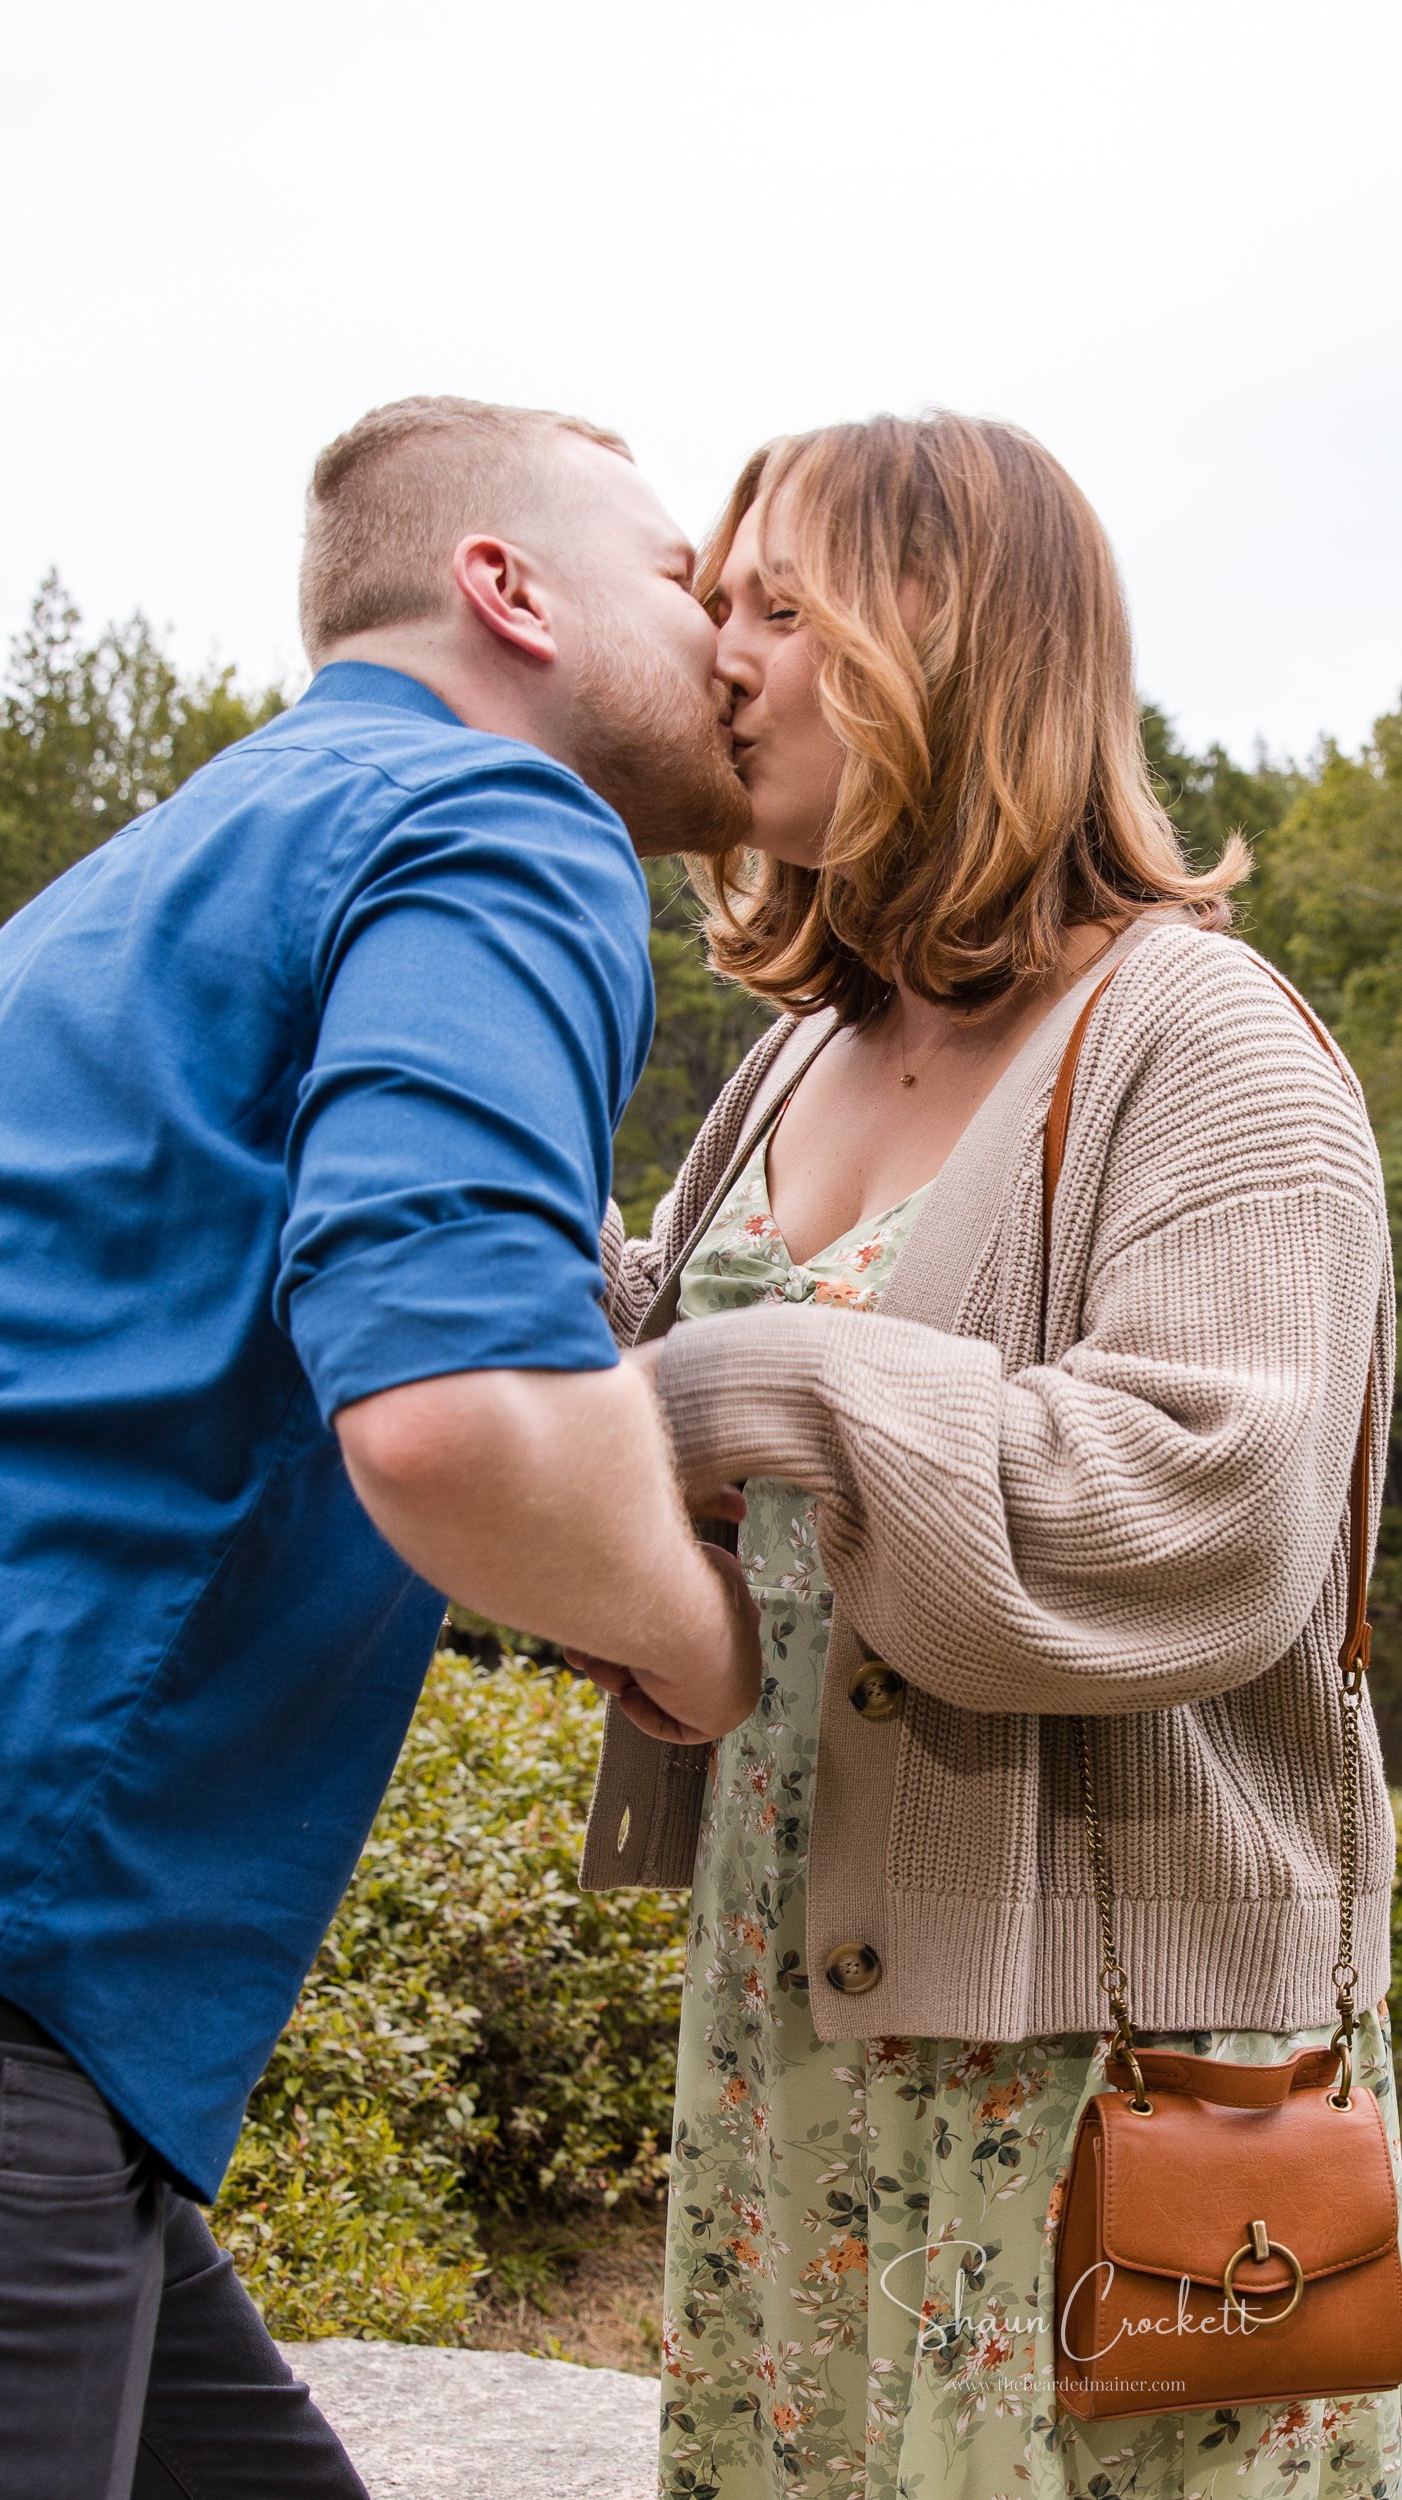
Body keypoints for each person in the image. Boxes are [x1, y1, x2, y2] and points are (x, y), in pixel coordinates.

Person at [0, 394, 763, 2499]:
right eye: (681, 577)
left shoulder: (120, 893)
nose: (729, 638)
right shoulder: (496, 821)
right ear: (505, 588)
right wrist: (691, 1636)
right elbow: (453, 1399)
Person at [575, 412, 1400, 2499]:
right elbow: (666, 1400)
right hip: (806, 2007)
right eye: (711, 607)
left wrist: (743, 1384)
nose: (721, 659)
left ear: (957, 657)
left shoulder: (1195, 1040)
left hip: (1095, 2071)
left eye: (782, 607)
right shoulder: (797, 1043)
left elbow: (1199, 1507)